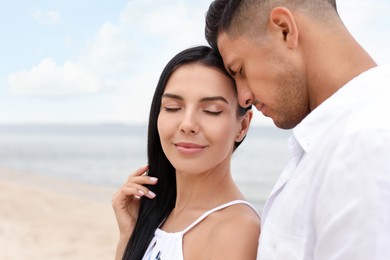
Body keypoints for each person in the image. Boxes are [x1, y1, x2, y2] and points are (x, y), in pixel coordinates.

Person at [204, 0, 390, 259]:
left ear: (284, 30)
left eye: (240, 70)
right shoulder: (333, 141)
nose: (243, 97)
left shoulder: (366, 144)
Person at [112, 46, 260, 260]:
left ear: (242, 126)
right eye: (172, 107)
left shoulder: (236, 231)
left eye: (211, 110)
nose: (188, 124)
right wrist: (130, 236)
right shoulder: (160, 215)